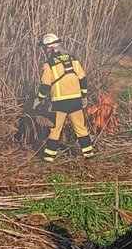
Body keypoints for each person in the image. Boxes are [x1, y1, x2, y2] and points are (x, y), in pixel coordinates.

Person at [36, 33, 95, 162]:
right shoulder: (73, 58)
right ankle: (89, 155)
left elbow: (45, 85)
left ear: (50, 47)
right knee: (80, 128)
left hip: (59, 103)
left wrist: (39, 99)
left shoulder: (49, 64)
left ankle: (48, 158)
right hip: (76, 101)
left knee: (55, 130)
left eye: (45, 48)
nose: (44, 51)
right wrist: (83, 96)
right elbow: (83, 78)